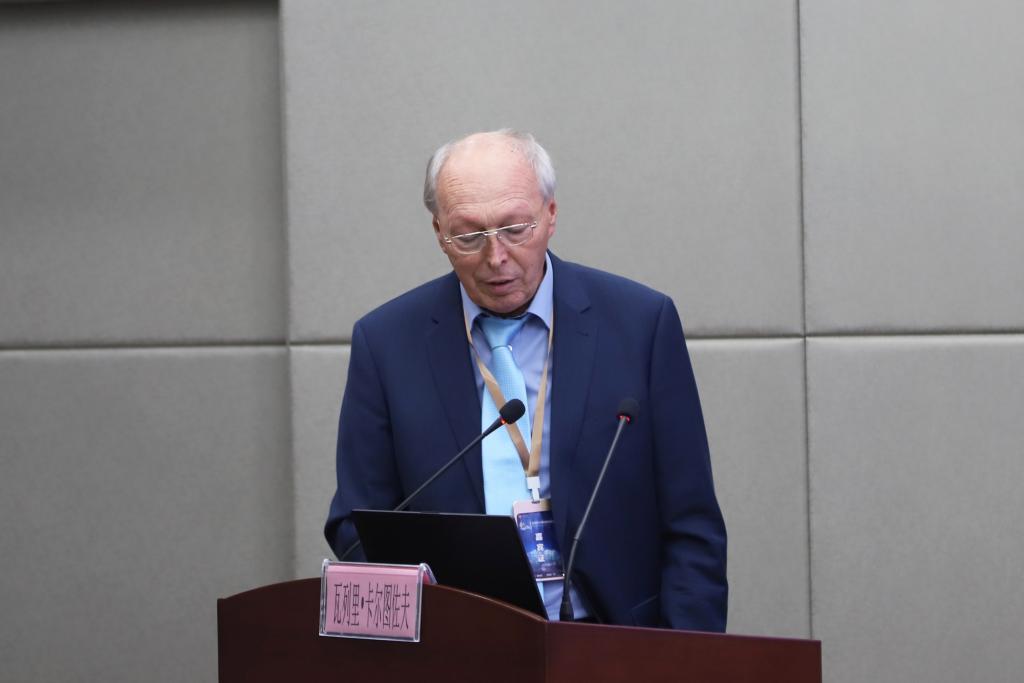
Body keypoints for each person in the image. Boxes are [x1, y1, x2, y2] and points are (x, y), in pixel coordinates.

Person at [324, 129, 727, 631]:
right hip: (460, 641)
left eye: (516, 229)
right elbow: (356, 523)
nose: (496, 258)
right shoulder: (386, 343)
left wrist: (688, 658)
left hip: (611, 640)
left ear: (550, 215)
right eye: (469, 236)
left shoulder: (640, 325)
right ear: (439, 233)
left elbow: (691, 523)